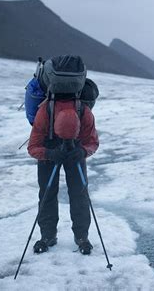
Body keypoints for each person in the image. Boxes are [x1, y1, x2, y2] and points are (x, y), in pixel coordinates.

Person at [27, 93, 99, 255]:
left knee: (79, 193)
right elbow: (33, 147)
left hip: (76, 151)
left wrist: (82, 151)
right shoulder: (45, 112)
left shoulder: (84, 112)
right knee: (47, 193)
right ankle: (47, 236)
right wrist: (48, 153)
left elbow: (92, 142)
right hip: (49, 149)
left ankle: (81, 237)